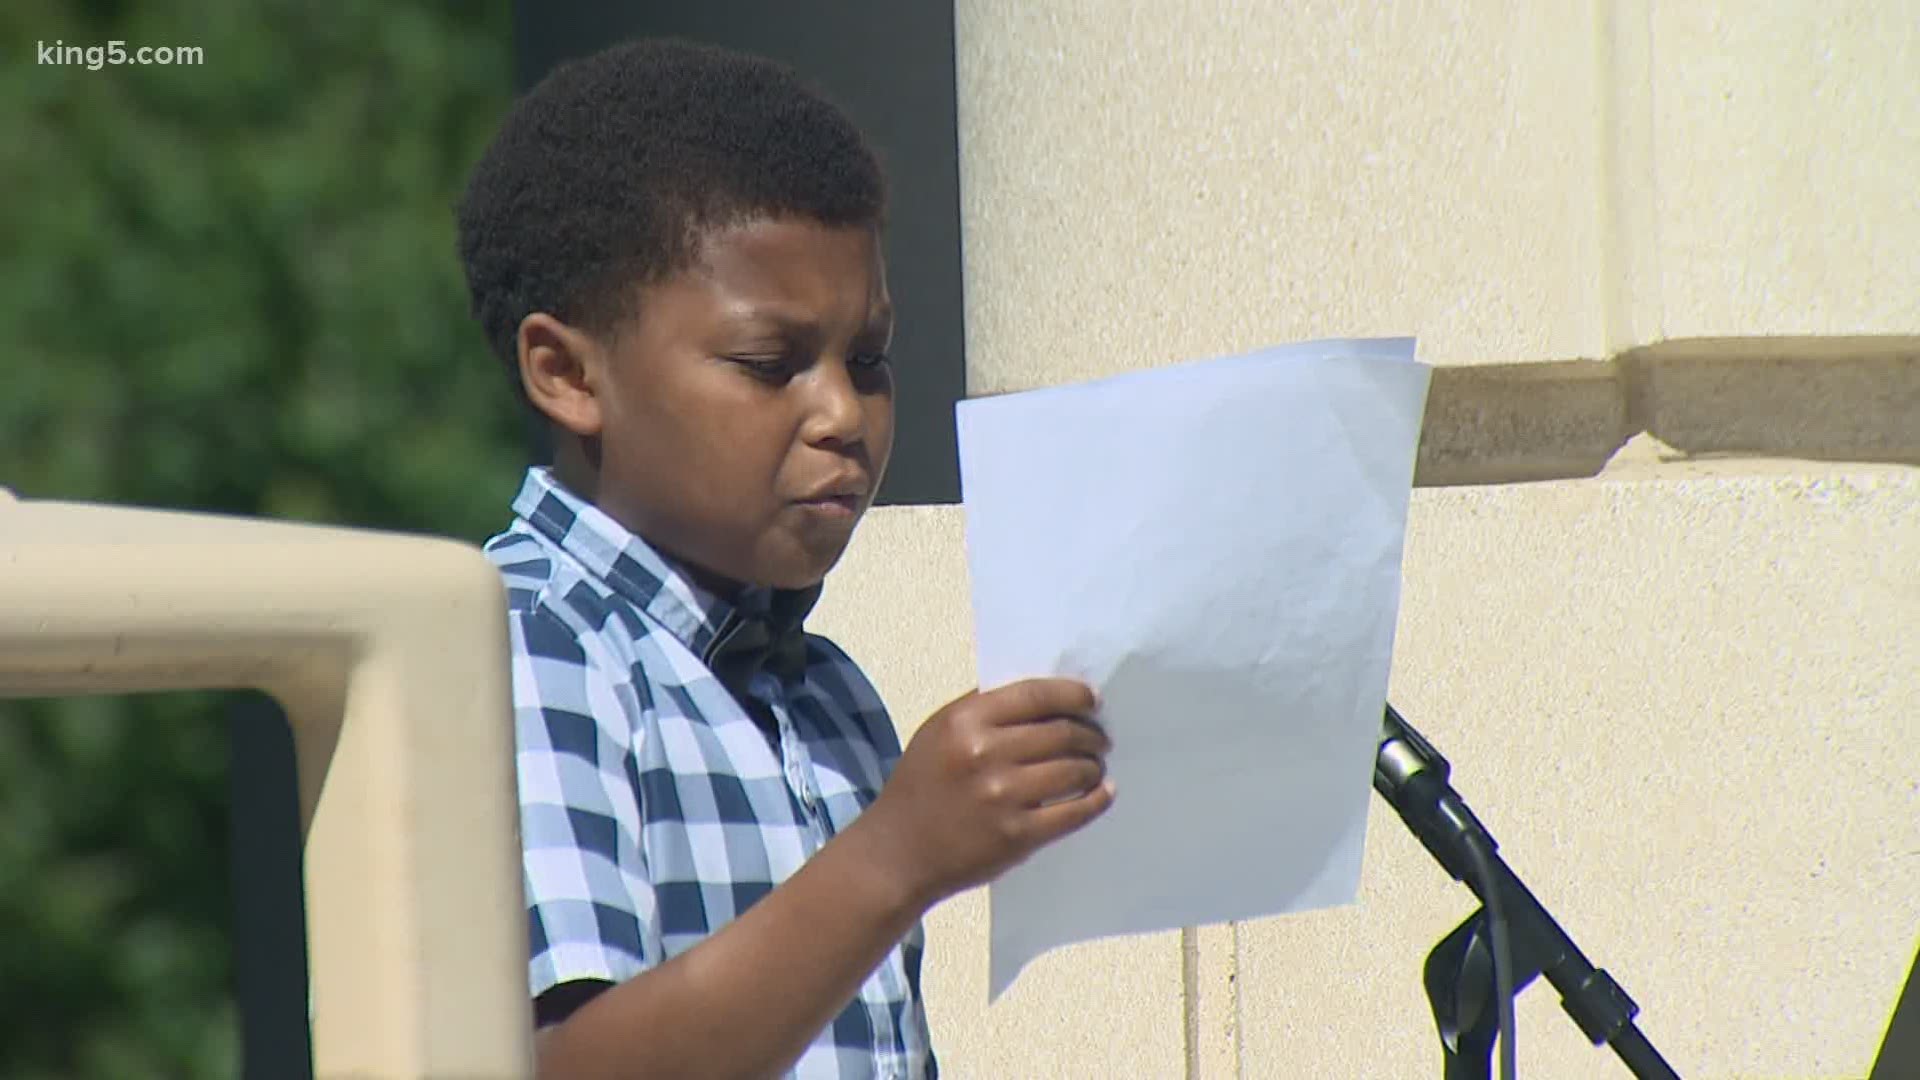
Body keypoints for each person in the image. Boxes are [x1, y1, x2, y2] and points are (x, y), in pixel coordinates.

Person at [455, 38, 1115, 1079]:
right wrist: (896, 857)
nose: (844, 416)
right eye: (771, 365)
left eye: (869, 361)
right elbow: (567, 1064)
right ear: (567, 374)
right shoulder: (519, 652)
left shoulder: (829, 695)